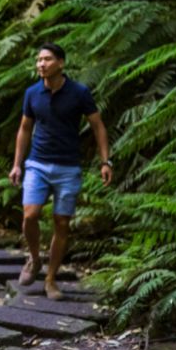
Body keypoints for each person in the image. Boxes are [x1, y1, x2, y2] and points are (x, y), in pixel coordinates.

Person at [8, 42, 112, 300]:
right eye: (38, 60)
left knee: (61, 224)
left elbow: (98, 126)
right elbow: (24, 129)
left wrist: (105, 161)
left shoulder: (79, 93)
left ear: (61, 63)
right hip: (37, 164)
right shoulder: (32, 93)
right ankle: (34, 259)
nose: (41, 64)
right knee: (30, 216)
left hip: (68, 167)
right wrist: (17, 164)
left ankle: (51, 279)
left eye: (47, 59)